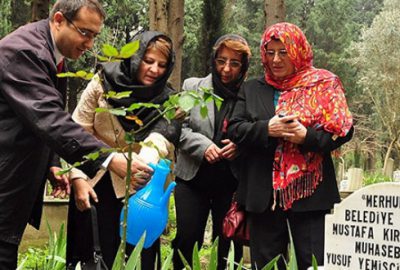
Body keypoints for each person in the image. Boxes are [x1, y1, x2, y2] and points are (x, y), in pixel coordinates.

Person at [0, 1, 152, 269]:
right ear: (59, 19)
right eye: (85, 33)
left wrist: (53, 165)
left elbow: (32, 120)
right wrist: (109, 159)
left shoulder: (49, 52)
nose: (90, 44)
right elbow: (49, 118)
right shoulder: (24, 52)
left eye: (95, 35)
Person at [227, 22, 354, 270]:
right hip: (264, 198)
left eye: (283, 52)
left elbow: (343, 131)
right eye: (270, 52)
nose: (275, 59)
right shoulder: (252, 89)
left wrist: (306, 137)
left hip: (311, 197)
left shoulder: (324, 84)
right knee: (267, 265)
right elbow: (234, 129)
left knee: (313, 263)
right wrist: (267, 129)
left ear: (298, 51)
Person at [66, 31, 181, 270]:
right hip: (95, 181)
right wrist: (77, 177)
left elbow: (162, 137)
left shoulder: (169, 99)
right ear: (135, 57)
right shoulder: (103, 82)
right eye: (148, 61)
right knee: (96, 256)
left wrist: (140, 164)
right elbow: (76, 129)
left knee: (139, 257)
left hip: (140, 188)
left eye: (162, 65)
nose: (154, 70)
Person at [172, 34, 251, 269]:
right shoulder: (192, 87)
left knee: (225, 243)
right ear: (213, 60)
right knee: (186, 239)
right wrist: (204, 146)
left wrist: (240, 147)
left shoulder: (249, 94)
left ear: (243, 66)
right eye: (221, 61)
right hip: (192, 179)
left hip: (230, 184)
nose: (226, 69)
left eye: (234, 63)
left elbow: (256, 134)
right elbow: (178, 129)